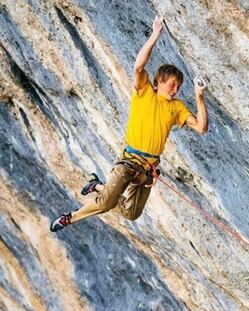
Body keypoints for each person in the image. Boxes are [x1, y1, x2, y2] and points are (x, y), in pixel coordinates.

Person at [50, 16, 208, 232]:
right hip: (129, 163)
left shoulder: (177, 107)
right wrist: (155, 35)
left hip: (147, 170)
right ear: (159, 81)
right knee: (105, 203)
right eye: (172, 84)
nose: (175, 90)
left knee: (132, 213)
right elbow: (138, 66)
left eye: (178, 87)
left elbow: (201, 127)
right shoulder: (145, 93)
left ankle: (96, 186)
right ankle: (71, 217)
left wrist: (199, 96)